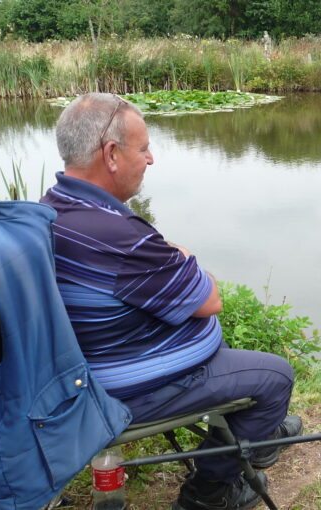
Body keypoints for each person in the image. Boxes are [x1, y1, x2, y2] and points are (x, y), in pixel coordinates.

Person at [40, 92, 302, 510]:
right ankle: (211, 493)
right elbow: (209, 299)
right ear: (111, 155)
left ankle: (259, 434)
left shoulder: (53, 207)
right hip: (119, 390)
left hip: (87, 367)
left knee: (235, 362)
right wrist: (178, 254)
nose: (151, 159)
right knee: (276, 376)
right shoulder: (117, 237)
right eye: (143, 148)